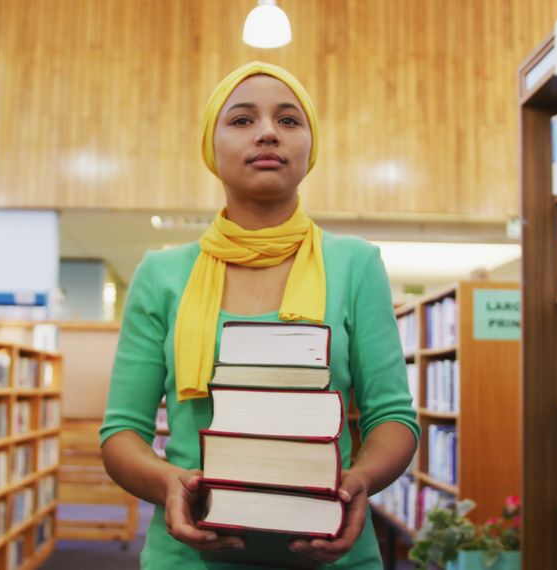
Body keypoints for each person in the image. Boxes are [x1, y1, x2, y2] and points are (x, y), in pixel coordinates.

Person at [99, 61, 419, 569]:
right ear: (212, 146)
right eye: (243, 120)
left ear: (310, 147)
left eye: (289, 121)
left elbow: (393, 418)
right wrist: (168, 484)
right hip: (188, 554)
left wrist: (358, 481)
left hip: (331, 551)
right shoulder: (161, 275)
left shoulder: (356, 264)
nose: (268, 132)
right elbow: (121, 434)